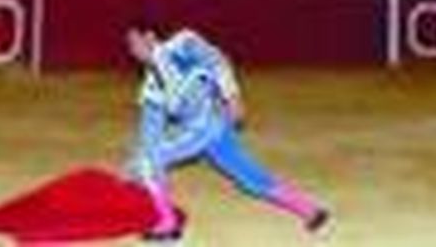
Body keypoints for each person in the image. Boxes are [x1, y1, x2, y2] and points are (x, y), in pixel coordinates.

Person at [123, 23, 329, 240]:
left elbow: (217, 61)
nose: (132, 50)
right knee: (250, 178)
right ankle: (310, 209)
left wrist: (232, 96)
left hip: (208, 125)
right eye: (129, 45)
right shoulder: (151, 86)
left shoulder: (182, 44)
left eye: (134, 42)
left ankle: (168, 225)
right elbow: (150, 129)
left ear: (150, 37)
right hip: (211, 129)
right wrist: (136, 163)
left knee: (148, 160)